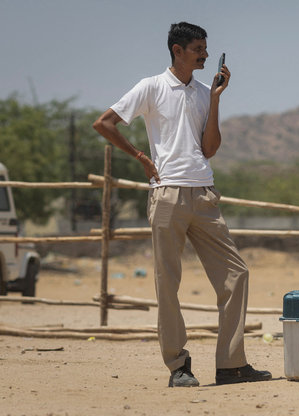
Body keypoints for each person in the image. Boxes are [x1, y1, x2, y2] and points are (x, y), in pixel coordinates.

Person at [93, 22, 271, 387]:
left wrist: (217, 99)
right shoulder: (151, 86)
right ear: (178, 50)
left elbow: (209, 149)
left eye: (206, 48)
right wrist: (141, 156)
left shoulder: (206, 92)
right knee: (168, 283)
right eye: (198, 49)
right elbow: (105, 123)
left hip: (204, 194)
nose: (205, 54)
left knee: (236, 275)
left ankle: (231, 366)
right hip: (167, 194)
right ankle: (178, 367)